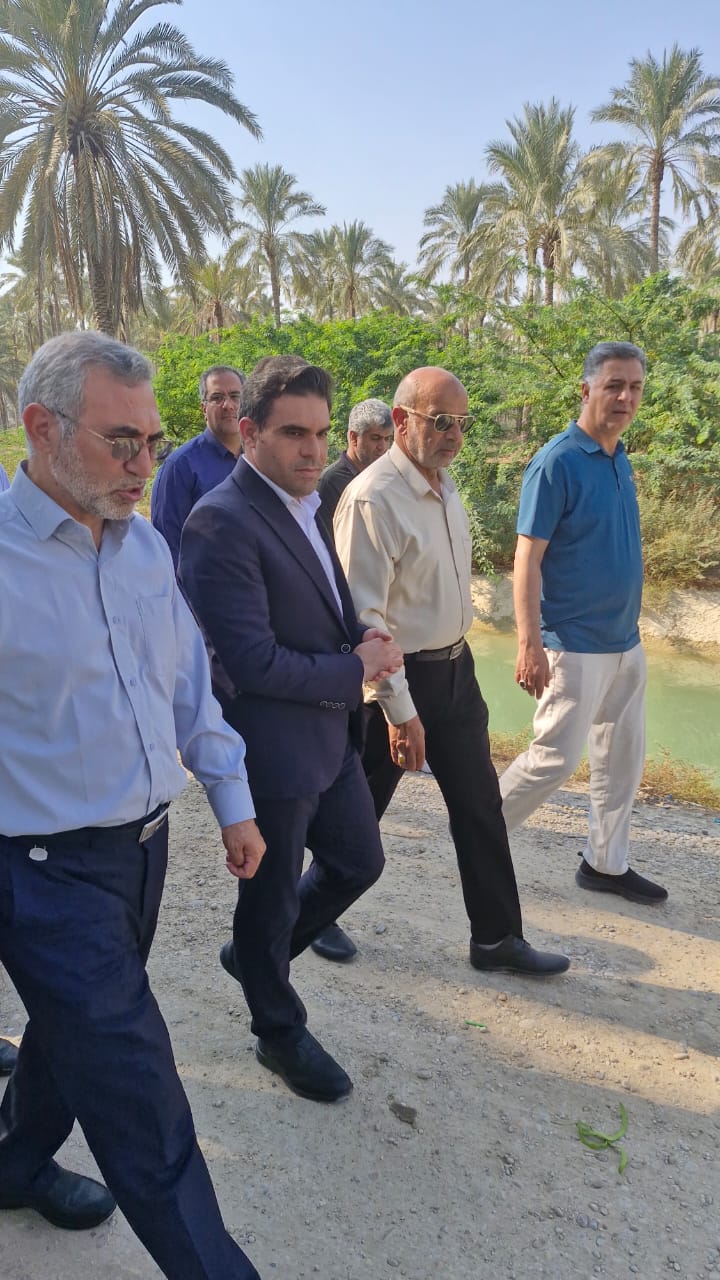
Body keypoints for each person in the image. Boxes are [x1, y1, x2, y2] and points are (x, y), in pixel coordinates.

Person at [0, 332, 265, 1280]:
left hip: (143, 853)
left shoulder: (145, 547)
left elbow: (186, 688)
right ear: (42, 427)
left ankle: (13, 1164)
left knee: (66, 1036)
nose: (145, 464)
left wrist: (231, 798)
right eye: (122, 442)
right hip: (42, 873)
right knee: (142, 1100)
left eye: (152, 441)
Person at [180, 355, 403, 1103]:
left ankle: (255, 958)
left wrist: (359, 638)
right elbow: (249, 663)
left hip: (330, 740)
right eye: (292, 434)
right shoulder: (220, 521)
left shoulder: (306, 504)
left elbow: (324, 608)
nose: (312, 450)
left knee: (359, 862)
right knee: (269, 899)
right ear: (249, 432)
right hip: (270, 751)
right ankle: (277, 1029)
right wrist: (355, 668)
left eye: (320, 433)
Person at [333, 366, 570, 977]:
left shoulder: (444, 484)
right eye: (440, 421)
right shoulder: (372, 498)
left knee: (480, 805)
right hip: (399, 679)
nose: (454, 435)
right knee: (359, 811)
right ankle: (307, 911)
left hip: (456, 672)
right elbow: (365, 619)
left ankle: (496, 939)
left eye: (461, 423)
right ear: (402, 420)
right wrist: (398, 709)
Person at [499, 341, 667, 905]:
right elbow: (527, 559)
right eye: (614, 385)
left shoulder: (619, 458)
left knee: (621, 761)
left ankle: (605, 863)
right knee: (553, 759)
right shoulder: (557, 461)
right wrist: (529, 644)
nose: (625, 397)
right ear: (587, 389)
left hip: (625, 642)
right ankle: (479, 834)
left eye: (635, 387)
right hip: (573, 643)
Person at [312, 397, 393, 963]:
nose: (383, 450)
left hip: (376, 647)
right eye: (375, 441)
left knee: (370, 778)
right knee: (353, 780)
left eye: (389, 441)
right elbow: (334, 575)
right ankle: (320, 903)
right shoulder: (337, 488)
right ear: (353, 439)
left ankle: (328, 889)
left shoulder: (389, 485)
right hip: (350, 653)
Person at [151, 364, 245, 567]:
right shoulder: (180, 467)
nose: (228, 405)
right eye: (217, 398)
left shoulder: (258, 459)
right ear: (204, 408)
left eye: (235, 396)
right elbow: (166, 546)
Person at [317, 397, 393, 530]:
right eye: (375, 438)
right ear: (353, 437)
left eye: (387, 439)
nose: (382, 447)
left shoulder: (387, 477)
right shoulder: (330, 482)